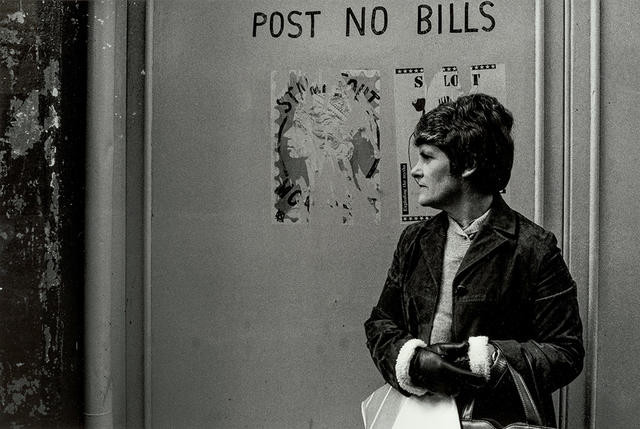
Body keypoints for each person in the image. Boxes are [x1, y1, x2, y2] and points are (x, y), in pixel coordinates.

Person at [364, 94, 584, 427]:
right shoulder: (415, 240)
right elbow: (381, 323)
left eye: (427, 157)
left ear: (468, 164)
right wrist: (413, 361)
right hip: (420, 420)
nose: (416, 170)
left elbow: (566, 352)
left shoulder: (534, 247)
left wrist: (489, 358)